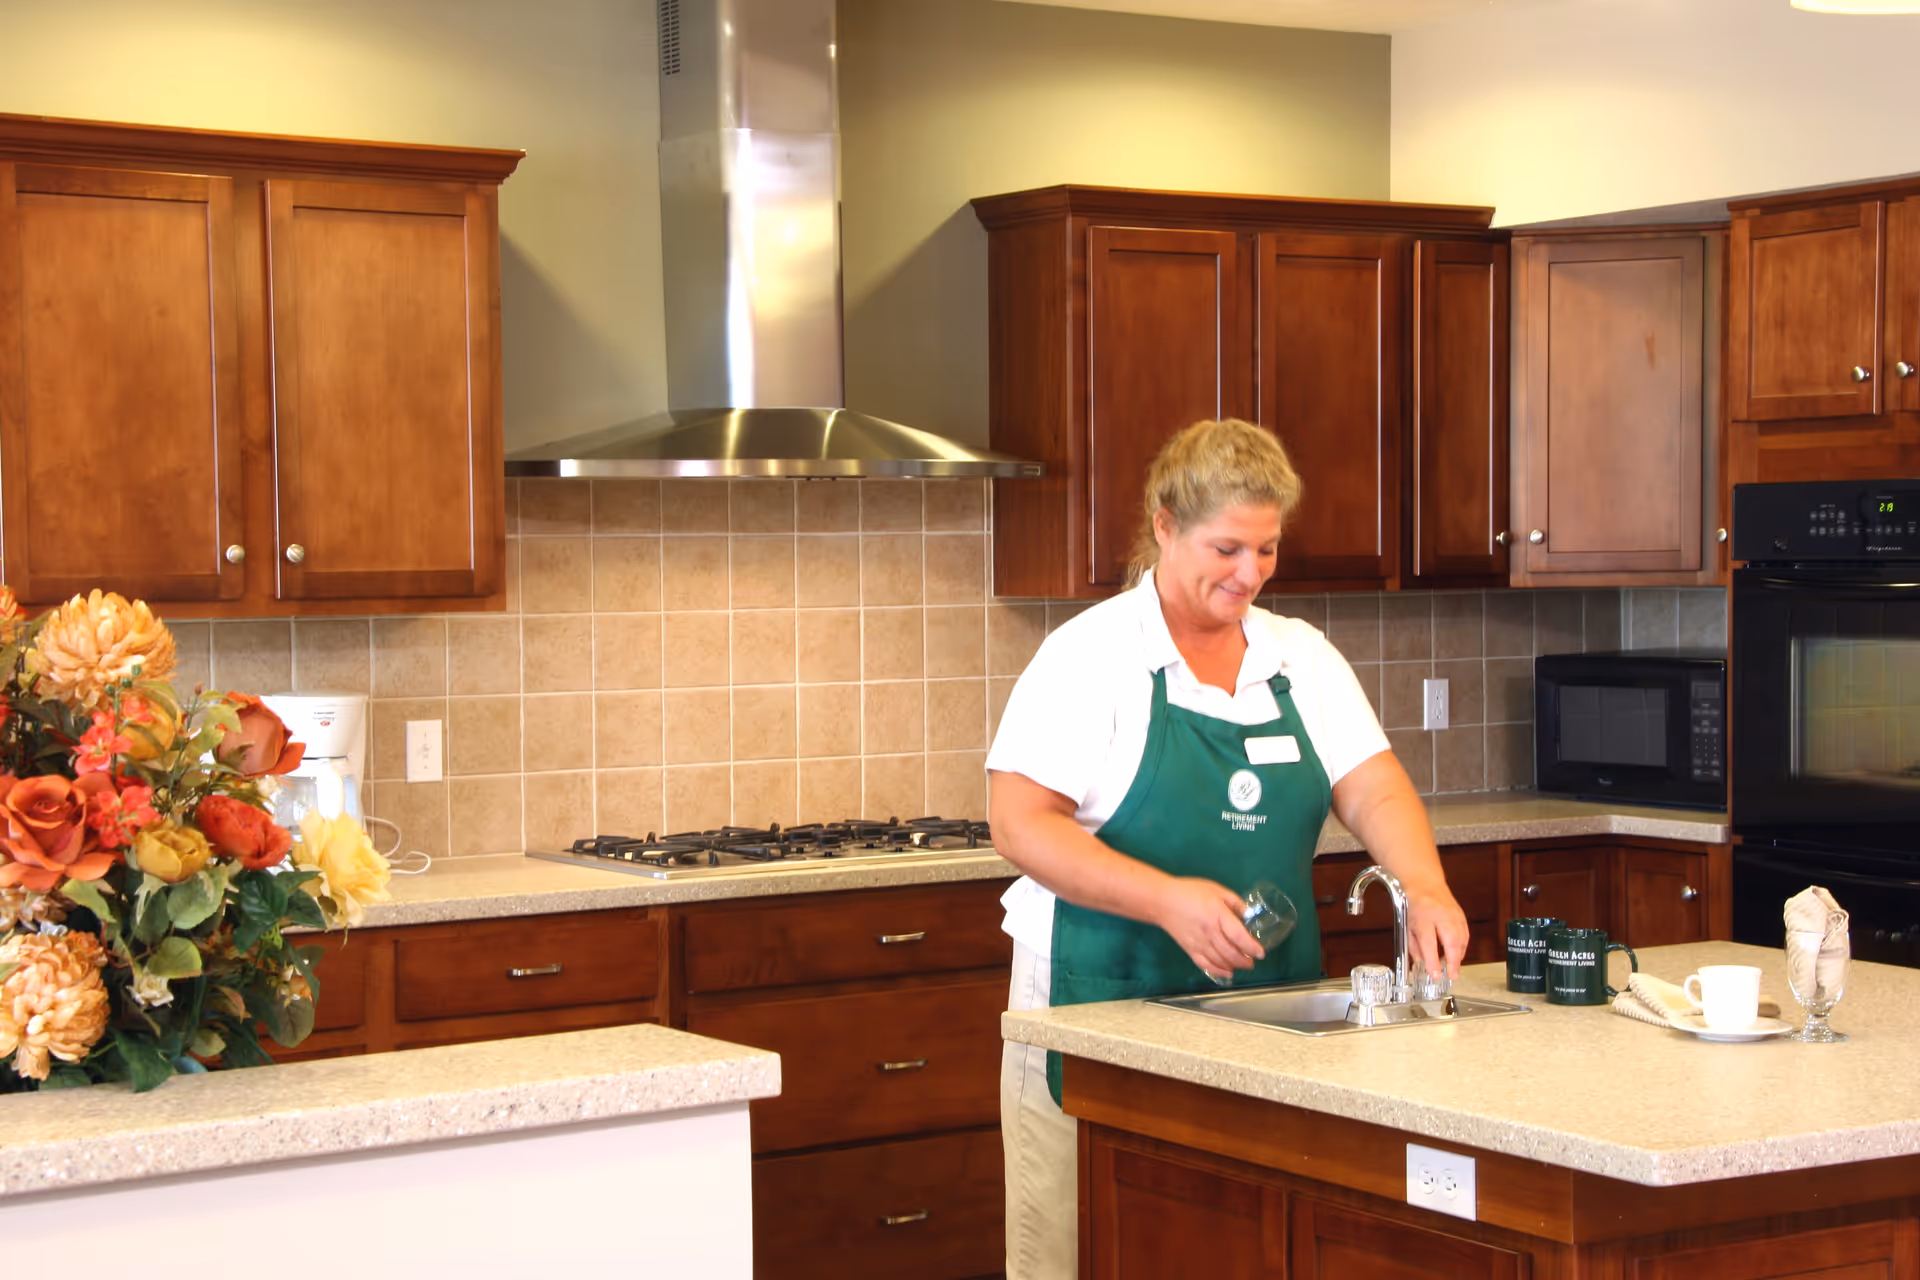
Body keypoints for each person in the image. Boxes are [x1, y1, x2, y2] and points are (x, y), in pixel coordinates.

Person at [986, 418, 1470, 1279]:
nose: (1249, 575)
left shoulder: (1301, 658)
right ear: (1165, 525)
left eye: (1268, 551)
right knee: (1081, 1249)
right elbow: (1020, 823)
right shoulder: (1090, 657)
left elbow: (1375, 787)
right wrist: (1168, 899)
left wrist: (1426, 886)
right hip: (1097, 1016)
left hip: (1264, 1021)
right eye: (1227, 549)